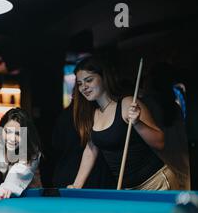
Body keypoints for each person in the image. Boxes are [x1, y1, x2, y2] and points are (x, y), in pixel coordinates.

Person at [69, 56, 178, 190]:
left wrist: (137, 123)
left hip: (155, 184)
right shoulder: (93, 114)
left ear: (104, 78)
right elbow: (91, 150)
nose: (84, 87)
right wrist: (76, 185)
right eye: (79, 84)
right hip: (129, 190)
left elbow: (160, 142)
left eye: (89, 80)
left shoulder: (127, 104)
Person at [142, 62, 191, 190]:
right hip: (182, 164)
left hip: (165, 168)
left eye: (146, 77)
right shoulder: (175, 106)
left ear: (151, 81)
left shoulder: (147, 105)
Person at [0, 108, 42, 198]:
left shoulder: (32, 150)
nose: (12, 138)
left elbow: (19, 171)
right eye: (7, 131)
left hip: (30, 199)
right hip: (5, 196)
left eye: (18, 134)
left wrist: (5, 188)